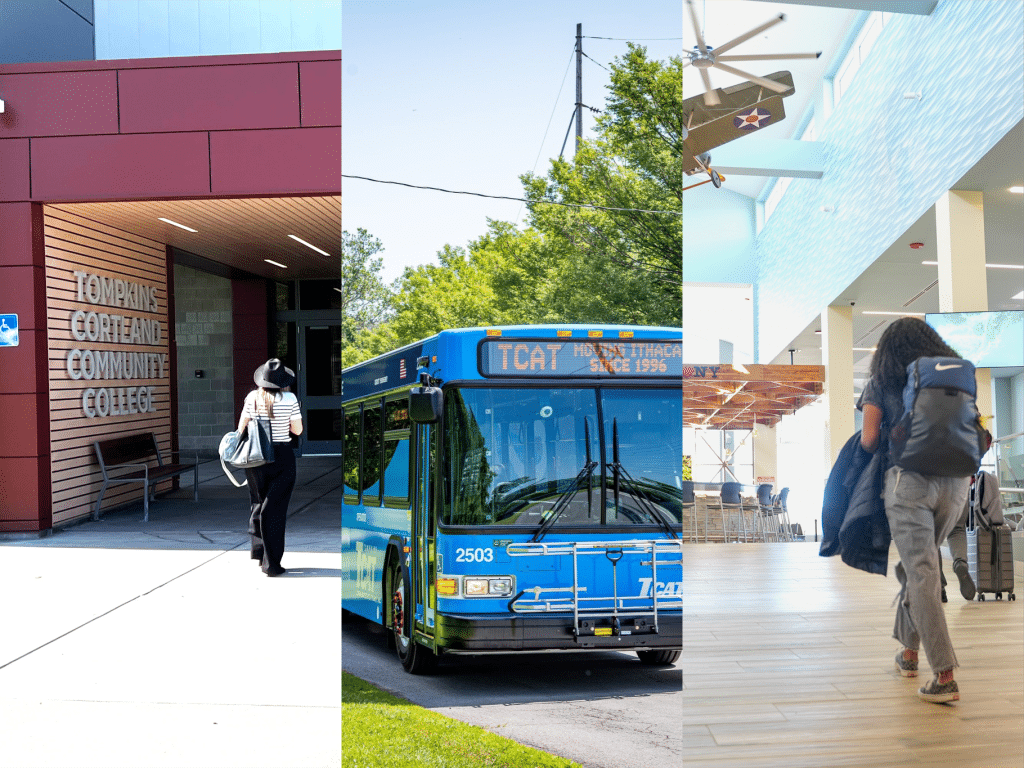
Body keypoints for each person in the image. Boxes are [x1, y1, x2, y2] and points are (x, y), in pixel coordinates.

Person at [858, 317, 972, 704]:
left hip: (909, 483)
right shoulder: (953, 377)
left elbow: (869, 440)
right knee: (917, 568)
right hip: (956, 483)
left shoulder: (883, 380)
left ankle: (944, 675)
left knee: (922, 571)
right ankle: (908, 653)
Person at [237, 359, 303, 576]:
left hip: (256, 457)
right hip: (282, 456)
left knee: (258, 503)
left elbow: (241, 427)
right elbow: (298, 430)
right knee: (275, 509)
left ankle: (259, 552)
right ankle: (271, 564)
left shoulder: (252, 397)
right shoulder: (290, 399)